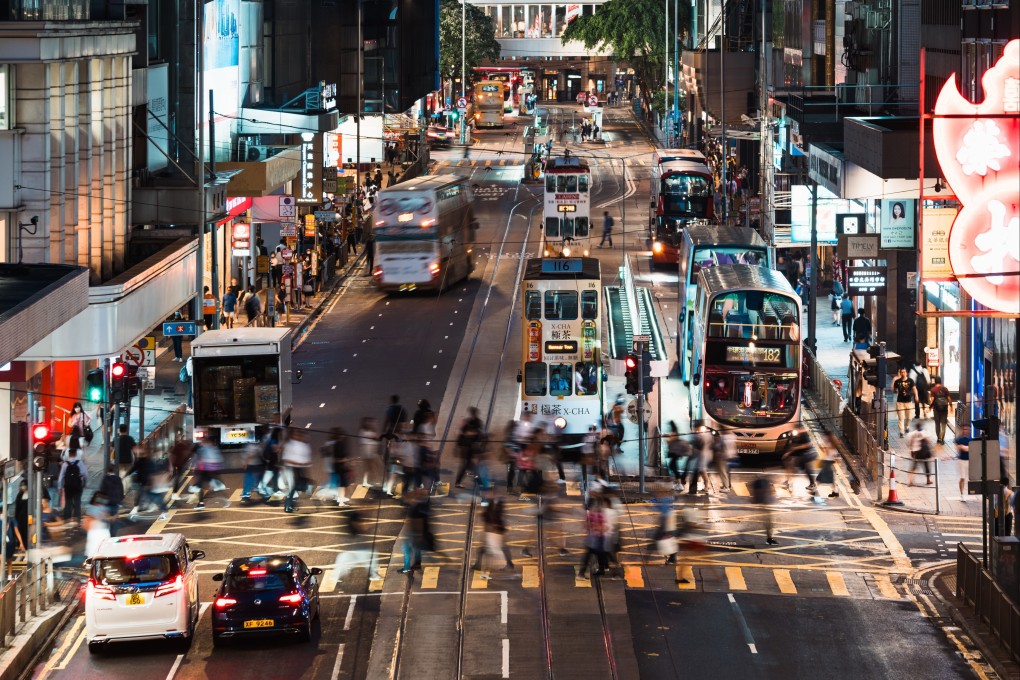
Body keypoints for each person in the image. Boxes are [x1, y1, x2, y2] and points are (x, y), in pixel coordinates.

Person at [472, 495, 514, 575]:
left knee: (488, 550)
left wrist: (482, 514)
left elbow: (492, 517)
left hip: (495, 531)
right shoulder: (495, 504)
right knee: (500, 548)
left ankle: (479, 566)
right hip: (495, 531)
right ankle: (509, 563)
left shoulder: (496, 505)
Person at [400, 489, 433, 574]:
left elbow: (418, 521)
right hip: (417, 532)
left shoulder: (417, 507)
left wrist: (418, 535)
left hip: (414, 532)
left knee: (406, 549)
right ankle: (417, 563)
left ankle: (407, 567)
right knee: (417, 548)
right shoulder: (423, 504)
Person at [282, 430, 313, 513]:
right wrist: (299, 463)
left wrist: (305, 464)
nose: (298, 436)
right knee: (294, 487)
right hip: (292, 469)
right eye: (296, 435)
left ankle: (289, 505)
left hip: (299, 469)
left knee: (296, 487)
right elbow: (286, 458)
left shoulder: (301, 444)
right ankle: (288, 506)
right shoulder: (290, 445)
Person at [455, 407, 484, 489]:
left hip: (470, 447)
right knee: (471, 465)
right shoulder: (475, 422)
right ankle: (479, 482)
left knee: (469, 465)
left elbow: (466, 432)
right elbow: (476, 433)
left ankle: (459, 482)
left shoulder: (470, 422)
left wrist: (470, 433)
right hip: (471, 447)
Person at [58, 444, 87, 524]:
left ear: (69, 455)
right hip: (78, 486)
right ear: (76, 454)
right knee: (77, 502)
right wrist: (84, 483)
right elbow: (85, 474)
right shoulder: (80, 463)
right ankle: (77, 520)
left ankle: (66, 520)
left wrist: (60, 488)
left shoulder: (65, 464)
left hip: (68, 486)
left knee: (68, 502)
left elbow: (61, 477)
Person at [750, 476, 778, 545]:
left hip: (767, 504)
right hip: (767, 504)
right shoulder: (763, 482)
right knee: (769, 522)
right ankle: (769, 539)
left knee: (770, 522)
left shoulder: (763, 481)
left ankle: (769, 538)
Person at [892, 368, 918, 437]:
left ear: (906, 373)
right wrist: (895, 390)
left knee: (909, 417)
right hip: (900, 402)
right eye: (902, 372)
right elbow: (894, 389)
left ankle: (907, 426)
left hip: (908, 402)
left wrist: (916, 396)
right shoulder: (897, 381)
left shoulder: (910, 381)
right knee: (901, 418)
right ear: (900, 373)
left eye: (904, 372)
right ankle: (901, 432)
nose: (903, 374)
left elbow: (914, 389)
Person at [906, 421, 934, 486]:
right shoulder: (924, 433)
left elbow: (910, 443)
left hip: (915, 452)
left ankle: (910, 481)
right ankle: (928, 480)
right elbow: (928, 441)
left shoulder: (912, 434)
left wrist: (911, 450)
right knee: (926, 465)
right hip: (923, 453)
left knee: (914, 467)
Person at [929, 376, 953, 444]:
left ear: (935, 382)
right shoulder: (945, 389)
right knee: (943, 423)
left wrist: (930, 407)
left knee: (937, 424)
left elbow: (932, 400)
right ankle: (942, 438)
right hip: (944, 409)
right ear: (941, 382)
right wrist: (951, 406)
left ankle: (939, 438)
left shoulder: (933, 390)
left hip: (936, 409)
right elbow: (949, 398)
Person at [956, 425, 971, 500]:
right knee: (962, 477)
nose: (965, 431)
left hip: (969, 460)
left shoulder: (970, 439)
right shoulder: (959, 439)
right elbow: (959, 448)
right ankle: (962, 494)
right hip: (961, 460)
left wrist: (963, 447)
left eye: (967, 429)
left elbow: (970, 449)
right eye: (964, 429)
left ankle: (965, 492)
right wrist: (965, 448)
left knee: (968, 477)